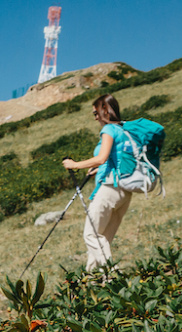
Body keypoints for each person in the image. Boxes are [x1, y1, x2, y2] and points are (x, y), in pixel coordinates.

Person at [63, 94, 131, 271]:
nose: (94, 118)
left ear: (105, 111)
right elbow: (113, 160)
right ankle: (92, 280)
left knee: (91, 235)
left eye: (96, 113)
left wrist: (75, 165)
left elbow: (101, 158)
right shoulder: (124, 129)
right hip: (124, 190)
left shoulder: (108, 130)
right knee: (102, 240)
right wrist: (97, 170)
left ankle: (114, 275)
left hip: (109, 189)